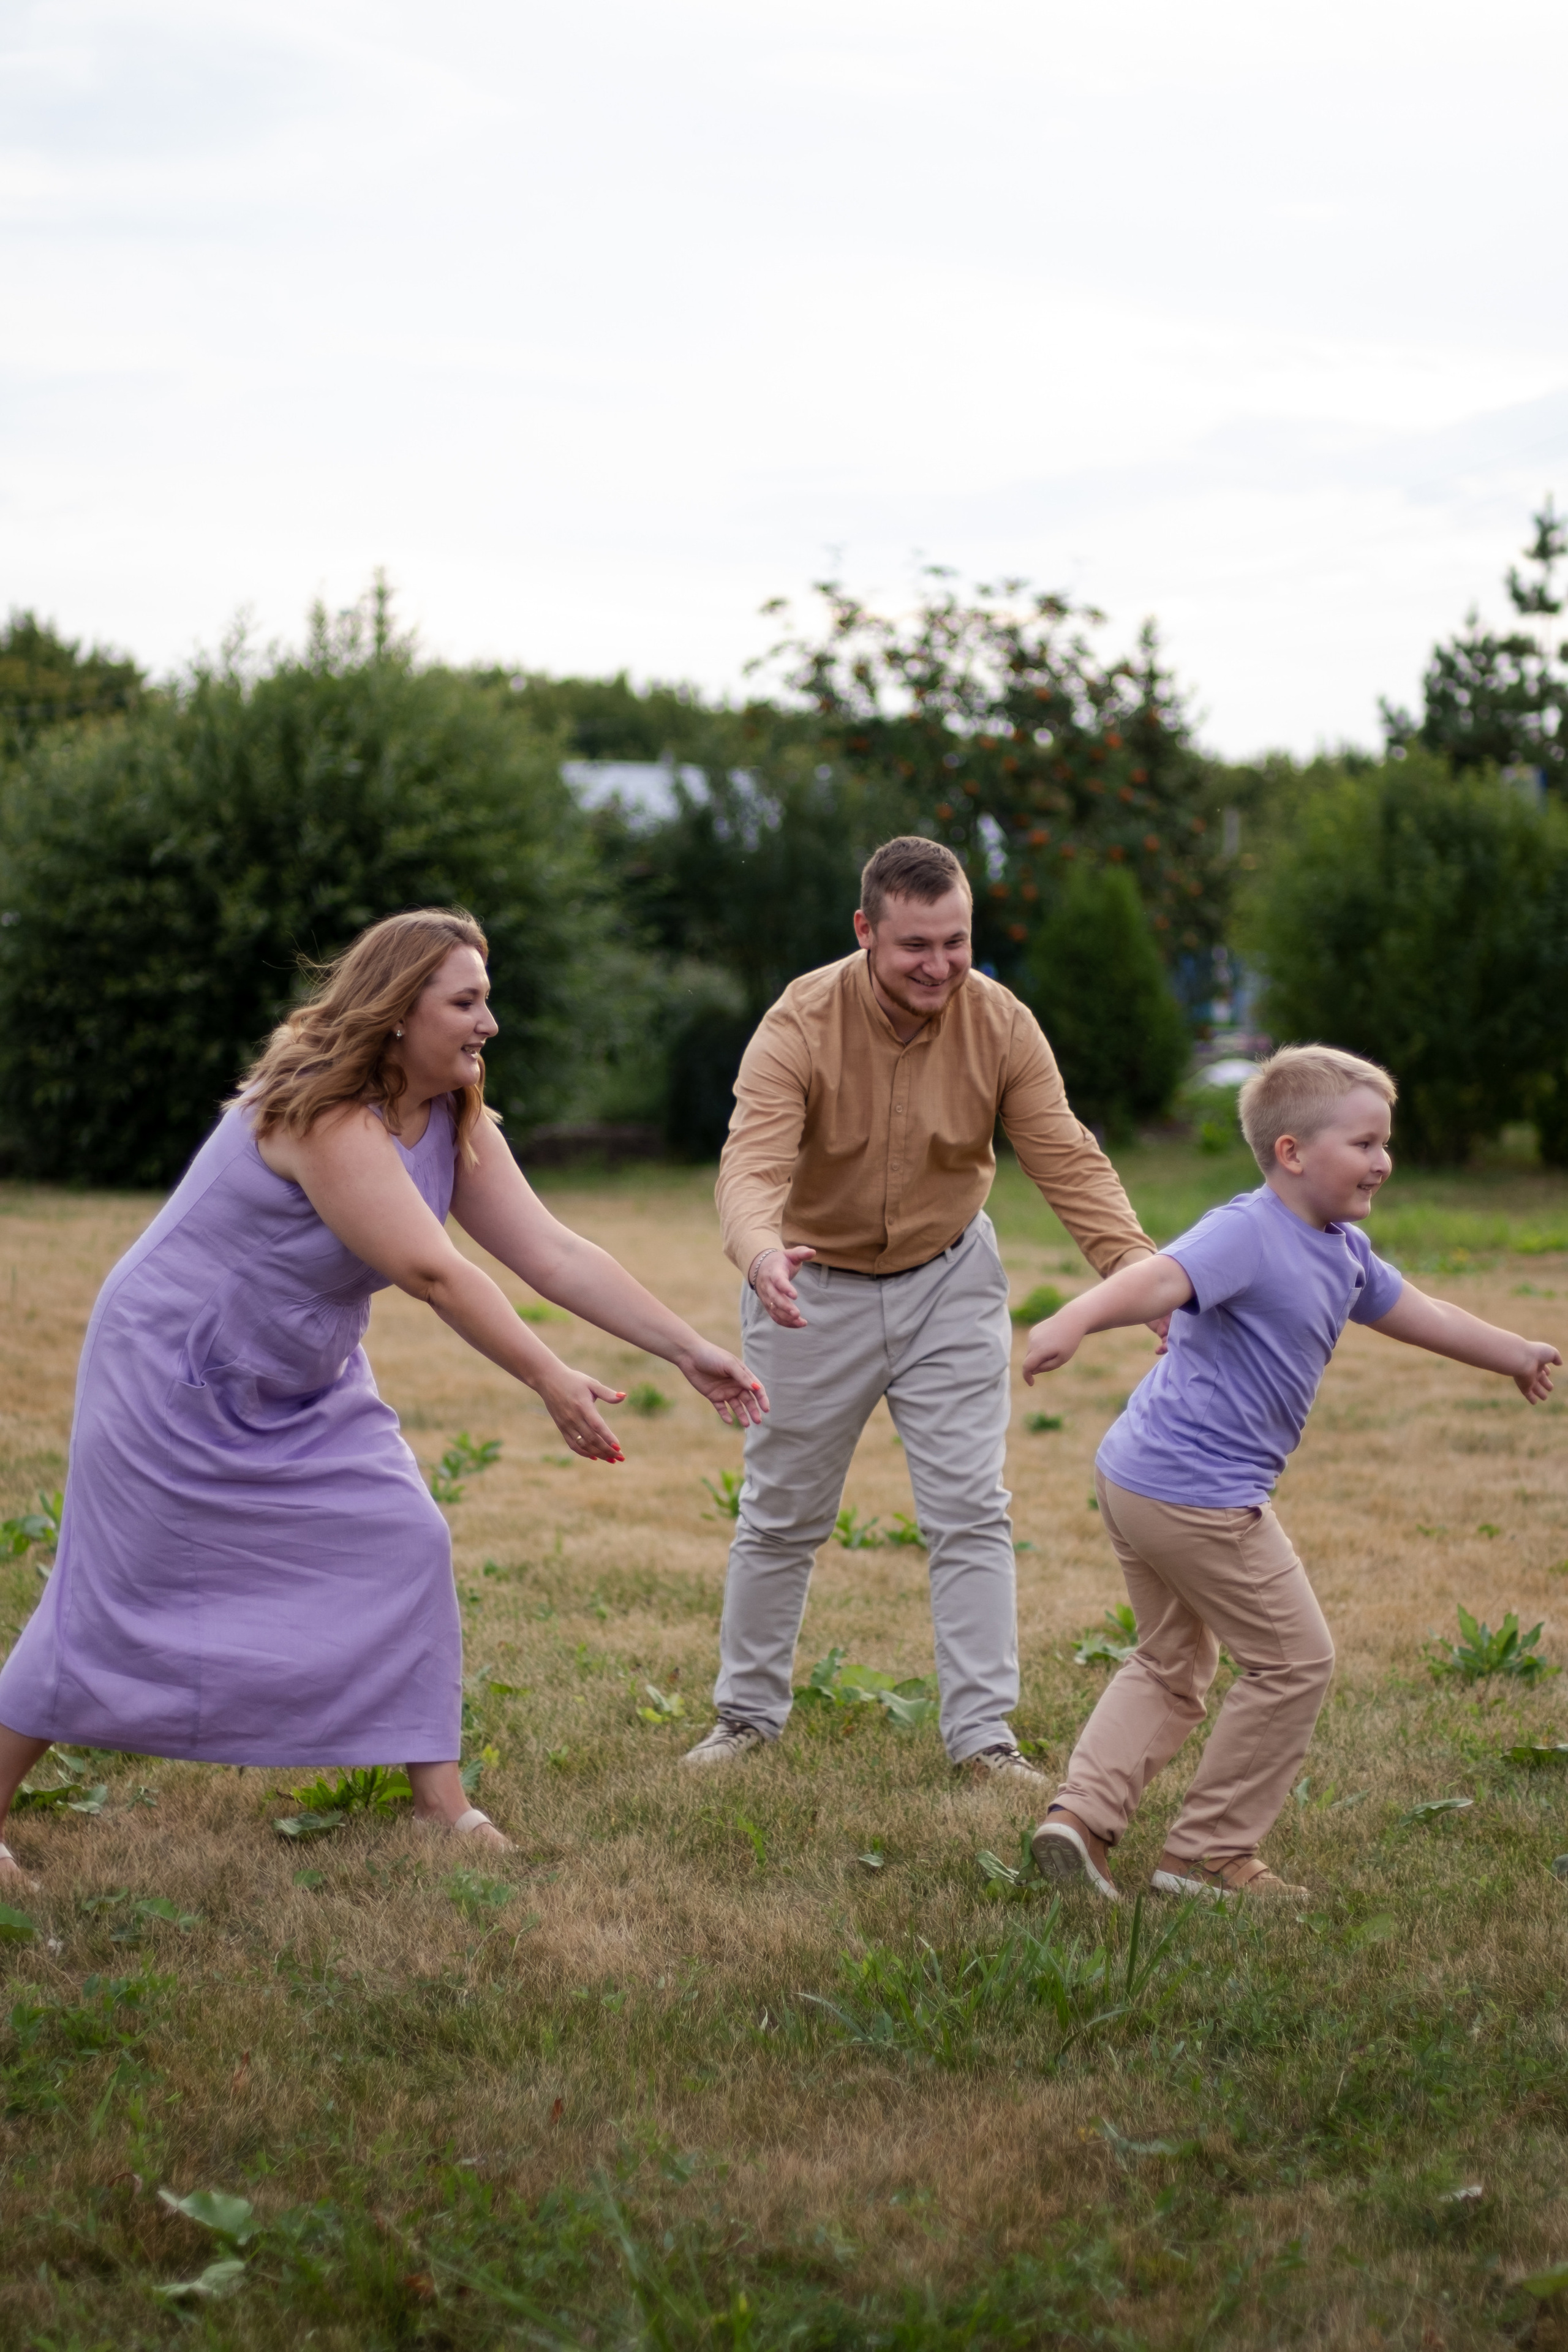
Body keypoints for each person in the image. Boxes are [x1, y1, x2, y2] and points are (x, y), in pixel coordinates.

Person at [0, 908, 766, 1886]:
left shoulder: (450, 1114)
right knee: (112, 1593)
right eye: (466, 1001)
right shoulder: (325, 1115)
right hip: (175, 1370)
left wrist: (687, 1349)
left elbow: (555, 1251)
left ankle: (440, 1808)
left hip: (306, 1372)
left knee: (407, 1538)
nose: (489, 1022)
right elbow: (432, 1271)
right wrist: (547, 1376)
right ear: (399, 1012)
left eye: (488, 999)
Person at [1027, 1044, 1560, 1902]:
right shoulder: (1249, 1231)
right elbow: (1159, 1276)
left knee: (1171, 1662)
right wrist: (1075, 1320)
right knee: (1294, 1661)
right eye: (1365, 1143)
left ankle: (1079, 1822)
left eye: (1386, 1143)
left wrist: (1512, 1353)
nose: (1383, 1161)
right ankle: (1208, 1854)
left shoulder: (1341, 1249)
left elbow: (1418, 1311)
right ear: (1293, 1153)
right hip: (1197, 1494)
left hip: (1139, 1477)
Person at [682, 835, 1158, 1784]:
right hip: (811, 1287)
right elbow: (753, 1163)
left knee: (971, 1510)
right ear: (866, 931)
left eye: (957, 941)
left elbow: (1064, 1157)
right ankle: (745, 1720)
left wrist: (1141, 1275)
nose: (940, 965)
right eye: (915, 946)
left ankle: (985, 1740)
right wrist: (762, 1252)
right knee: (781, 1515)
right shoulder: (799, 1022)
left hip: (951, 1280)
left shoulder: (1001, 1023)